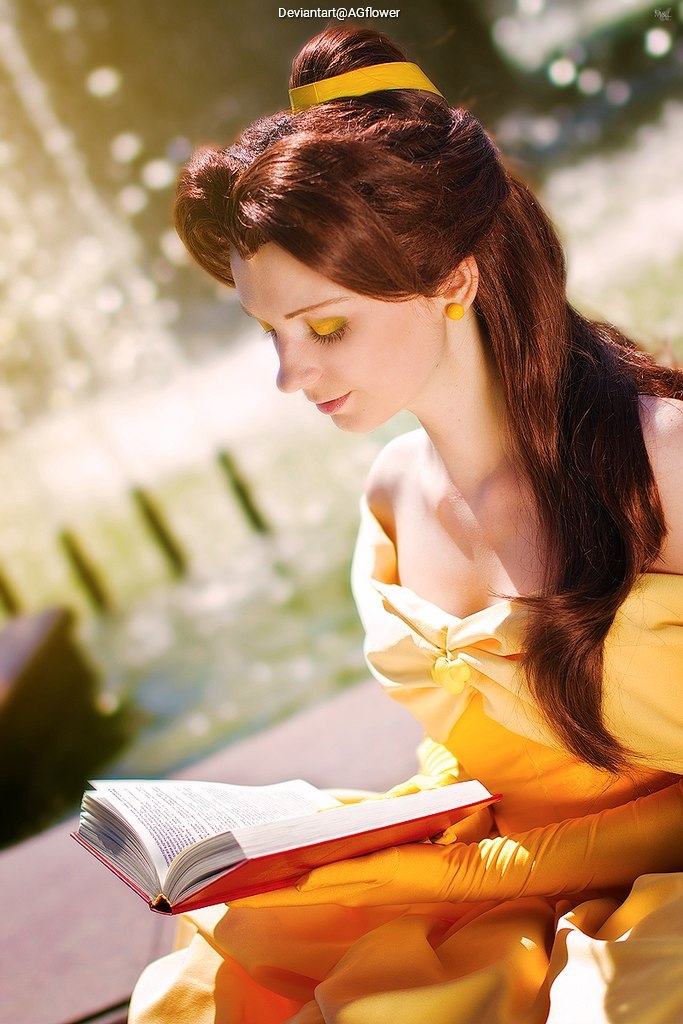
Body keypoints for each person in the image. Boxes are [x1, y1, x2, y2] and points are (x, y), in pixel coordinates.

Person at [129, 24, 683, 1024]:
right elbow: (486, 763)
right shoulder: (390, 499)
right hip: (505, 892)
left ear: (452, 281)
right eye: (270, 332)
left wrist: (486, 873)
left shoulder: (657, 461)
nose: (290, 375)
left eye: (324, 324)